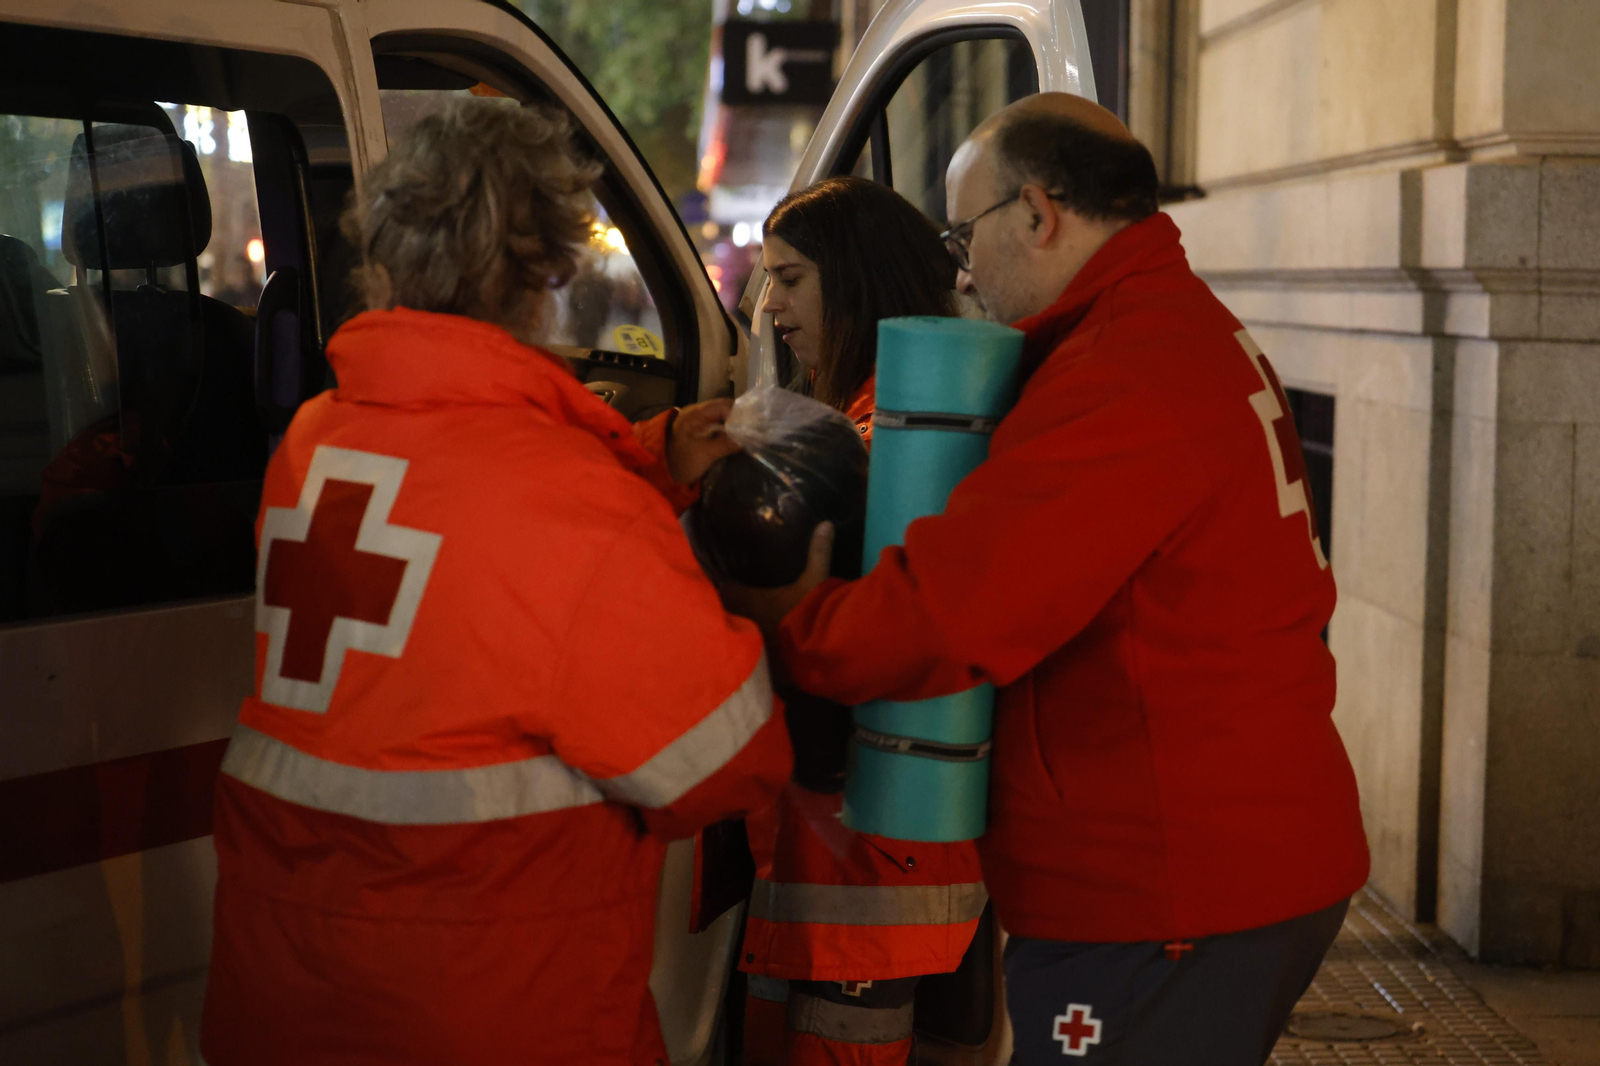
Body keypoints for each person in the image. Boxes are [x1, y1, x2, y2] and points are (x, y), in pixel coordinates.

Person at [727, 94, 1371, 1065]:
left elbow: (955, 609)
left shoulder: (1121, 372)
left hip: (1163, 894)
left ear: (1039, 213)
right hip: (1218, 861)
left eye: (964, 230)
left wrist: (797, 624)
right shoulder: (1165, 327)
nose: (958, 262)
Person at [198, 98, 791, 1066]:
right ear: (551, 266)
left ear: (387, 248)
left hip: (281, 991)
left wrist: (634, 470)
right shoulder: (567, 501)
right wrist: (771, 610)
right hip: (492, 1010)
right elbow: (723, 762)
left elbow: (463, 552)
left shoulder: (320, 442)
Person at [732, 175, 987, 1066]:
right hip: (900, 881)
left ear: (858, 280)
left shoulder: (876, 448)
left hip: (862, 886)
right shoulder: (904, 425)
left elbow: (871, 642)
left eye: (790, 278)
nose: (769, 306)